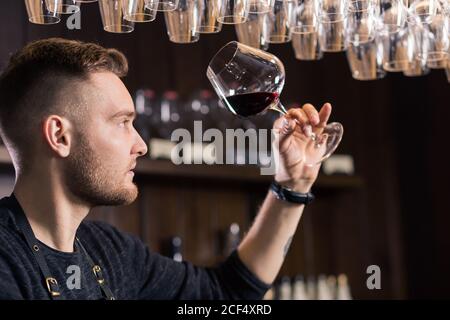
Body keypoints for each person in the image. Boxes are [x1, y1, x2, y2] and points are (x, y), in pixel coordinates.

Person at [0, 38, 332, 300]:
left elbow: (227, 295)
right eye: (122, 123)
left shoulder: (111, 251)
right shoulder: (6, 259)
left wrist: (293, 184)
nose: (141, 145)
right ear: (60, 136)